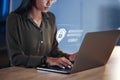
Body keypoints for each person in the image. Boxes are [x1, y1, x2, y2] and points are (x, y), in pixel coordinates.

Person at [6, 0, 77, 69]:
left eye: (53, 0)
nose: (49, 3)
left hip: (45, 74)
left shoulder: (50, 18)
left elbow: (54, 51)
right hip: (21, 74)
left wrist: (69, 57)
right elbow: (15, 59)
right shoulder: (15, 19)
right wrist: (46, 60)